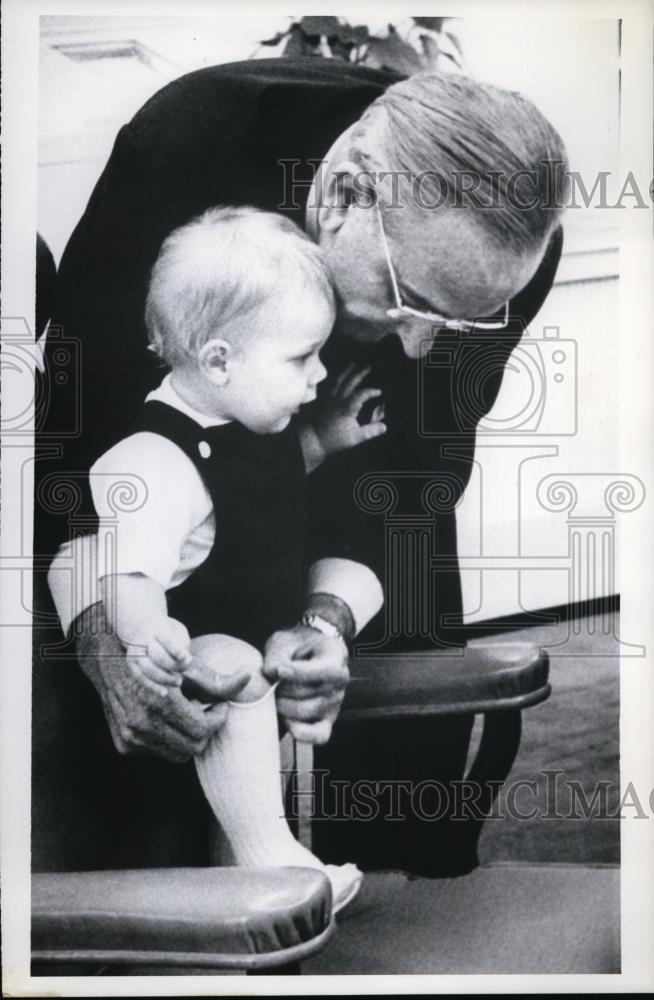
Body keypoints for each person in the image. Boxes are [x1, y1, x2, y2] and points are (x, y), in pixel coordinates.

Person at [37, 60, 569, 874]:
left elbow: (421, 467)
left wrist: (326, 620)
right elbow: (80, 442)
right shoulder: (185, 152)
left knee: (406, 803)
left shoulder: (500, 250)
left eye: (456, 323)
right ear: (342, 197)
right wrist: (106, 637)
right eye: (412, 303)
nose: (423, 347)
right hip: (166, 509)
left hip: (368, 483)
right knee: (151, 792)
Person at [57, 205, 388, 909]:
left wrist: (322, 441)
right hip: (187, 662)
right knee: (234, 666)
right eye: (302, 357)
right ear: (218, 360)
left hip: (249, 650)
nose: (319, 373)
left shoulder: (243, 425)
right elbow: (125, 572)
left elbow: (254, 486)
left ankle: (252, 878)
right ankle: (273, 856)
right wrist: (149, 635)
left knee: (230, 831)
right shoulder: (151, 459)